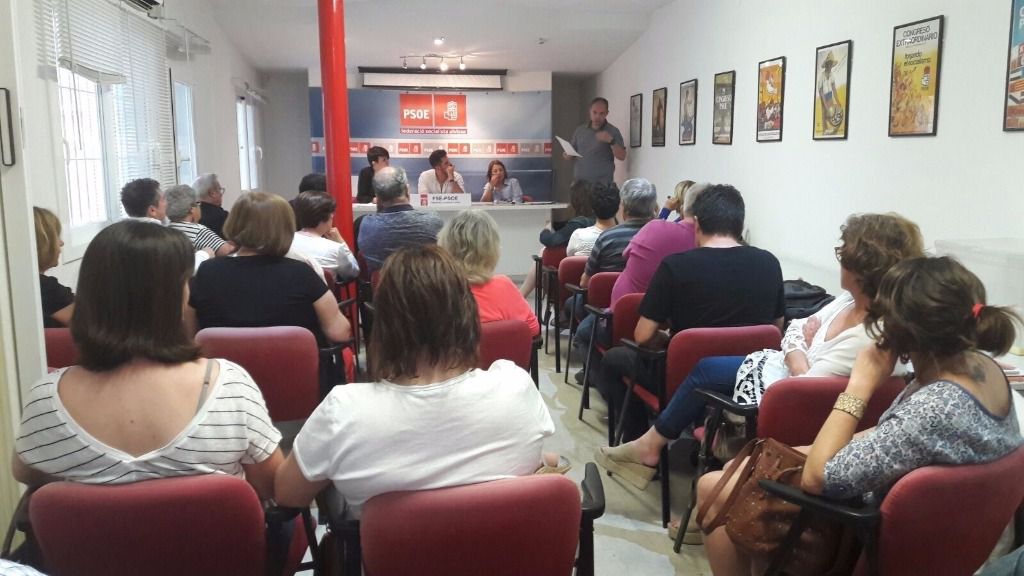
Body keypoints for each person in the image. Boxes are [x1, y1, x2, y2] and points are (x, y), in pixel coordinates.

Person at [598, 213, 925, 538]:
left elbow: (804, 389)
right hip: (782, 373)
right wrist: (800, 353)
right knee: (706, 370)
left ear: (859, 266)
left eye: (844, 253)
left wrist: (800, 353)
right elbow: (792, 328)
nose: (839, 259)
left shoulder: (870, 337)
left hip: (794, 407)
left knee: (667, 366)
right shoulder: (844, 300)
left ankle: (659, 453)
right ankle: (658, 450)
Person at [699, 256, 1023, 575]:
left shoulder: (934, 409)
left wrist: (860, 385)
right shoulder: (983, 370)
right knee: (735, 472)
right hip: (944, 539)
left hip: (865, 534)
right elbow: (891, 439)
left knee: (713, 490)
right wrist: (793, 454)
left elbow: (816, 479)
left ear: (901, 334)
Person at [273, 245, 555, 518]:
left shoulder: (343, 412)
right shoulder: (515, 386)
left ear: (383, 323)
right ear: (468, 314)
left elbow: (287, 494)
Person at [14, 220, 283, 499]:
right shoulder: (230, 388)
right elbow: (270, 487)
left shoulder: (47, 399)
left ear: (90, 295)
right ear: (175, 295)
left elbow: (29, 474)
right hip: (215, 529)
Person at [593, 185, 786, 443]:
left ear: (697, 224)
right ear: (740, 225)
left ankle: (639, 439)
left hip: (682, 378)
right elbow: (776, 329)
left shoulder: (676, 266)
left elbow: (643, 336)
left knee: (613, 359)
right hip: (746, 380)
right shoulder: (769, 264)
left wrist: (669, 340)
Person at [186, 192, 350, 346]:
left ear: (234, 224)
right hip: (292, 366)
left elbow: (189, 333)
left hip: (222, 366)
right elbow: (339, 333)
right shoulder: (301, 273)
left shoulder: (207, 272)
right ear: (285, 228)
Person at [439, 210, 540, 335]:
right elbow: (532, 329)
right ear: (492, 248)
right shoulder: (503, 286)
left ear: (445, 245)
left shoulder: (435, 290)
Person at [608, 181, 706, 305]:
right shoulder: (707, 242)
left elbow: (626, 255)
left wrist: (665, 210)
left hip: (628, 308)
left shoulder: (656, 228)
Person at [519, 180, 597, 298]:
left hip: (574, 277)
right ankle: (521, 294)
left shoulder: (577, 225)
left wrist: (546, 230)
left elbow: (551, 241)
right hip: (594, 278)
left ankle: (521, 294)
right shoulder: (597, 220)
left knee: (544, 251)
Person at [359, 167, 444, 272]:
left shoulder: (366, 225)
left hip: (383, 282)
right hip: (424, 281)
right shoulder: (433, 221)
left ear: (377, 197)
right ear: (407, 190)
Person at [291, 190, 359, 281]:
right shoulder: (335, 248)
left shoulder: (286, 241)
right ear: (330, 216)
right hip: (322, 289)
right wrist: (342, 243)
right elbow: (353, 272)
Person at [568, 97, 626, 185]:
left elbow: (622, 156)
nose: (597, 116)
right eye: (594, 112)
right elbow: (571, 153)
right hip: (580, 184)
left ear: (607, 113)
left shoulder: (612, 131)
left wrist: (611, 141)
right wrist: (567, 155)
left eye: (601, 113)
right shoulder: (580, 131)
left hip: (602, 185)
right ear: (590, 111)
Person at [166, 184, 234, 257]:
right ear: (192, 209)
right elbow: (226, 250)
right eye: (198, 203)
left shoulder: (167, 229)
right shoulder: (197, 231)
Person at [33, 207, 74, 328]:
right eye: (57, 236)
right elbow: (96, 322)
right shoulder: (45, 289)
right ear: (43, 242)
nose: (61, 243)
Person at [566, 182, 620, 257]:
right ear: (618, 207)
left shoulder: (578, 236)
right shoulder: (628, 237)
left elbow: (570, 258)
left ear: (592, 208)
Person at [193, 173, 229, 239]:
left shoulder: (190, 215)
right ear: (212, 193)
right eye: (220, 190)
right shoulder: (222, 217)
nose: (221, 194)